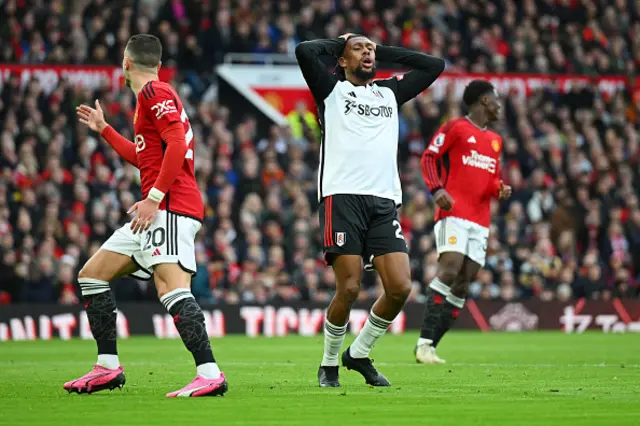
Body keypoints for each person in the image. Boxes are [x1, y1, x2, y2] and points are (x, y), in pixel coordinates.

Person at [64, 34, 227, 398]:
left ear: (126, 62)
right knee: (92, 275)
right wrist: (105, 130)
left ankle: (210, 373)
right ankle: (107, 367)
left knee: (171, 288)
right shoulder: (148, 101)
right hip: (154, 210)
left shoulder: (155, 93)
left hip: (169, 206)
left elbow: (177, 145)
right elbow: (146, 158)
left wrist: (153, 198)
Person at [295, 33, 445, 387]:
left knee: (400, 286)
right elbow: (304, 51)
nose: (368, 52)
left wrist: (378, 52)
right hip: (341, 197)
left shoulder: (389, 92)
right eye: (359, 49)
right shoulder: (331, 90)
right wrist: (341, 43)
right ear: (342, 60)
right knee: (348, 288)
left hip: (383, 200)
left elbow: (434, 65)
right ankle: (329, 363)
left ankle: (358, 353)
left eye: (371, 49)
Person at [416, 80, 512, 363]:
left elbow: (491, 178)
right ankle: (422, 344)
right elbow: (429, 158)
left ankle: (431, 346)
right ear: (484, 100)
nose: (499, 105)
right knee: (450, 268)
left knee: (464, 282)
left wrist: (500, 189)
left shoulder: (495, 140)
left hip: (480, 219)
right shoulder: (456, 127)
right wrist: (437, 189)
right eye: (495, 99)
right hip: (454, 213)